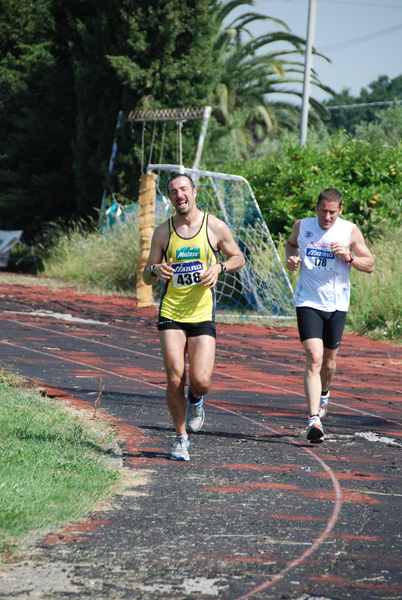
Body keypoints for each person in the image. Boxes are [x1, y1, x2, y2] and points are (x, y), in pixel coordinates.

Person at [143, 173, 245, 461]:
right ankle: (180, 438)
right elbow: (146, 274)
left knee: (201, 380)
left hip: (201, 314)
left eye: (184, 188)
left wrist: (220, 268)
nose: (180, 194)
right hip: (172, 312)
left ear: (194, 191)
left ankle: (196, 399)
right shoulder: (164, 232)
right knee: (175, 376)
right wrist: (156, 271)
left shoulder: (213, 226)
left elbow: (238, 257)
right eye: (174, 191)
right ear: (170, 198)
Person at [285, 188, 374, 443]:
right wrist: (291, 257)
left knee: (328, 362)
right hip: (308, 301)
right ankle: (314, 419)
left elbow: (370, 264)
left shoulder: (349, 230)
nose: (327, 217)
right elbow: (291, 244)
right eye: (323, 211)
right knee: (314, 357)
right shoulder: (302, 226)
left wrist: (349, 256)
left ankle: (325, 393)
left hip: (337, 304)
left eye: (332, 212)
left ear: (340, 211)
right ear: (317, 207)